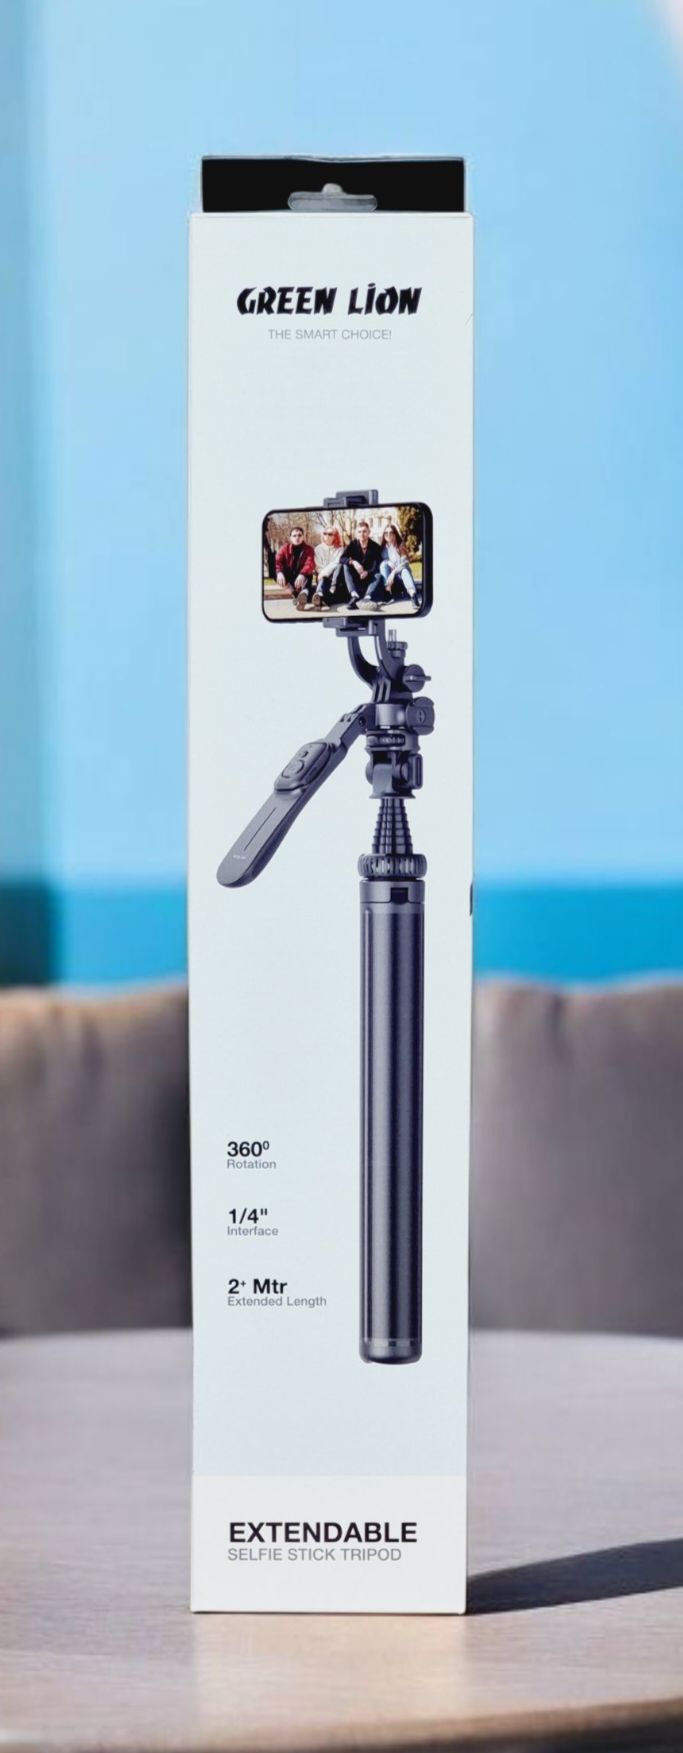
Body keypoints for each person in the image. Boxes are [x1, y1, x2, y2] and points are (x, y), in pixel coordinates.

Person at [366, 522, 420, 606]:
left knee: (404, 570)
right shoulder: (383, 548)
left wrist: (393, 572)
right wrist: (388, 562)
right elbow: (380, 563)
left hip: (402, 580)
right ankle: (387, 593)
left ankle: (413, 596)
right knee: (383, 564)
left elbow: (405, 563)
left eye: (391, 532)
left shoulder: (400, 546)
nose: (388, 535)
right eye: (386, 533)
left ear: (395, 534)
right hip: (390, 582)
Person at [333, 518, 382, 609]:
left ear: (369, 532)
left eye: (364, 531)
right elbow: (342, 559)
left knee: (378, 574)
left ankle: (367, 598)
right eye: (359, 532)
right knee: (345, 566)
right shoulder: (353, 544)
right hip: (355, 579)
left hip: (369, 579)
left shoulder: (375, 547)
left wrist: (367, 572)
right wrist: (353, 562)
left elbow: (377, 565)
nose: (362, 534)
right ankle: (354, 595)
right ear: (357, 533)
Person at [275, 526, 316, 610]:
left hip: (302, 577)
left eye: (299, 535)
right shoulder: (284, 548)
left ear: (303, 537)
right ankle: (296, 594)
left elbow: (310, 563)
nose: (297, 537)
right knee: (275, 572)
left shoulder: (309, 549)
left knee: (308, 574)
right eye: (294, 535)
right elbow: (277, 561)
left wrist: (302, 574)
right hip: (289, 577)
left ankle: (303, 594)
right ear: (290, 538)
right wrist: (279, 572)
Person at [311, 527, 343, 609]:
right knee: (322, 578)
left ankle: (327, 595)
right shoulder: (318, 549)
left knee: (339, 566)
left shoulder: (340, 550)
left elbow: (336, 563)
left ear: (335, 536)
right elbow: (318, 565)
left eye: (330, 534)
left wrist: (325, 572)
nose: (327, 536)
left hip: (334, 577)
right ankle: (318, 595)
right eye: (325, 533)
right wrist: (323, 574)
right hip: (321, 577)